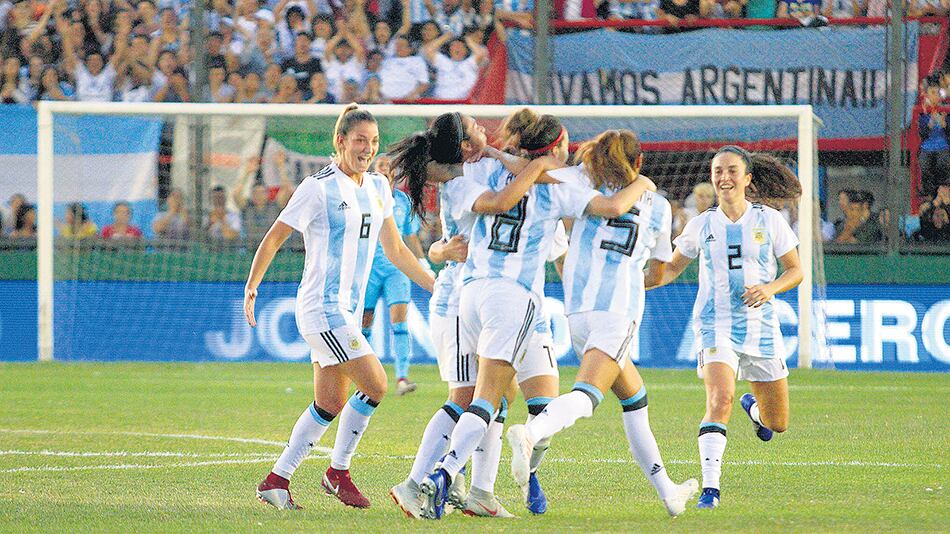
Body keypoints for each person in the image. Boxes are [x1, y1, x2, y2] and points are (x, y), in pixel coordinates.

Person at [412, 114, 660, 520]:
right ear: (557, 147)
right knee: (486, 400)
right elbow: (613, 206)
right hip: (513, 296)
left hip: (472, 292)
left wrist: (496, 152)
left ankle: (496, 482)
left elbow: (499, 176)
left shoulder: (487, 169)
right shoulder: (561, 187)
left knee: (508, 399)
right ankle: (443, 473)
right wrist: (642, 184)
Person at [248, 104, 435, 511]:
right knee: (377, 384)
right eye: (359, 141)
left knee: (330, 403)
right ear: (340, 142)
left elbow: (398, 251)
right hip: (321, 307)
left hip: (345, 311)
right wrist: (252, 285)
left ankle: (276, 481)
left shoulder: (379, 188)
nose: (367, 149)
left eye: (373, 142)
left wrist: (435, 286)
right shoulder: (318, 187)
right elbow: (275, 236)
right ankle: (338, 472)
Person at [506, 130, 699, 518]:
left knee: (635, 399)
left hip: (578, 313)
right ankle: (531, 432)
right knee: (587, 397)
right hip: (618, 311)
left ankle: (669, 492)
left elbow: (532, 172)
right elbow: (659, 271)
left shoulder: (583, 186)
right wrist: (640, 276)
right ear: (639, 163)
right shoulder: (658, 206)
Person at [387, 111, 564, 519]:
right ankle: (414, 484)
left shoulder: (480, 165)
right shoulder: (461, 181)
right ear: (465, 146)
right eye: (475, 128)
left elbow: (515, 173)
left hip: (486, 295)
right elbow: (501, 200)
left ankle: (482, 492)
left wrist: (503, 155)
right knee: (465, 398)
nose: (485, 127)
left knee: (499, 395)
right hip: (461, 297)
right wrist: (438, 252)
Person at [648, 145, 803, 509]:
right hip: (715, 325)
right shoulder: (702, 224)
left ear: (748, 179)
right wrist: (632, 282)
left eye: (732, 170)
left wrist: (769, 288)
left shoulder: (769, 220)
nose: (724, 177)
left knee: (777, 423)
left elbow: (795, 270)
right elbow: (670, 269)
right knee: (720, 400)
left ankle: (755, 410)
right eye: (718, 171)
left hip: (761, 328)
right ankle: (710, 489)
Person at [361, 154, 428, 396]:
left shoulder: (403, 201)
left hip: (396, 270)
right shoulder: (362, 197)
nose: (384, 169)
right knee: (363, 324)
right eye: (379, 165)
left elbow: (410, 235)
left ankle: (402, 377)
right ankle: (363, 377)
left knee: (399, 323)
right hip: (369, 269)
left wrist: (421, 261)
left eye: (387, 166)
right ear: (372, 170)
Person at [231, 155, 293, 249]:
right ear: (251, 194)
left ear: (267, 194)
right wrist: (247, 172)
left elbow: (287, 190)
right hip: (251, 249)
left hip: (275, 250)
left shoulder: (275, 205)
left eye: (262, 192)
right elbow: (235, 194)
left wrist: (281, 166)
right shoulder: (247, 206)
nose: (259, 195)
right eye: (255, 193)